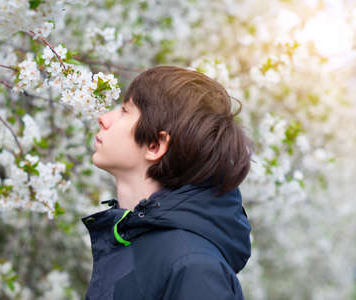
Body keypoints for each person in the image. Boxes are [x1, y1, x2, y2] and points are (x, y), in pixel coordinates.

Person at [81, 66, 254, 300]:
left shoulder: (193, 268)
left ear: (155, 145)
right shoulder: (135, 242)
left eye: (124, 110)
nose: (103, 118)